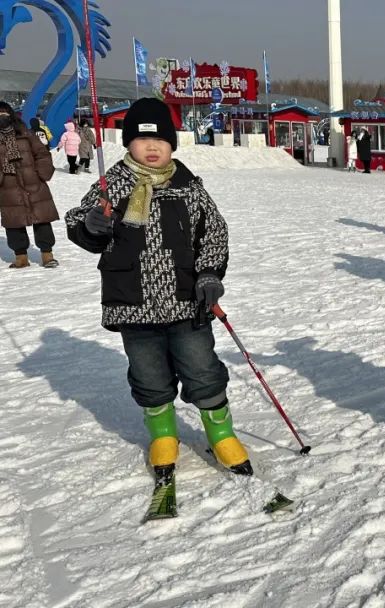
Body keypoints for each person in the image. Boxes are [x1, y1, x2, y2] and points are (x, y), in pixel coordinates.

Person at [64, 97, 252, 478]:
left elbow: (214, 233)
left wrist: (210, 274)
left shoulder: (189, 188)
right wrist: (91, 226)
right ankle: (163, 434)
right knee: (149, 375)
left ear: (172, 145)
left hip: (187, 303)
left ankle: (221, 434)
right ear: (128, 143)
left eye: (161, 141)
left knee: (203, 370)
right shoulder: (111, 184)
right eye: (143, 140)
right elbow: (78, 220)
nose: (152, 148)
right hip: (133, 305)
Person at [0, 102, 60, 268]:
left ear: (10, 115)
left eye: (4, 114)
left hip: (33, 184)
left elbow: (42, 154)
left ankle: (47, 255)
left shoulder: (26, 134)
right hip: (8, 188)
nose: (1, 118)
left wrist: (41, 173)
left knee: (42, 218)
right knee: (14, 222)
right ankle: (21, 257)